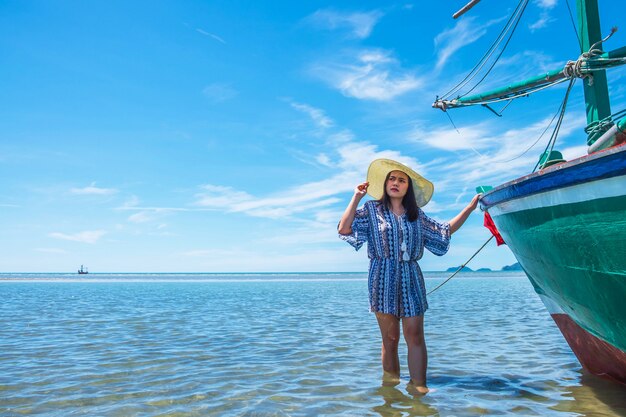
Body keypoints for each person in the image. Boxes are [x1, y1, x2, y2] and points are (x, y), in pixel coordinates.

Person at [338, 158, 480, 394]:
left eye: (401, 180)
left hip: (411, 275)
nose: (395, 183)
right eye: (392, 179)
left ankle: (419, 386)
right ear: (385, 184)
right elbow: (344, 229)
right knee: (390, 339)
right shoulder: (372, 210)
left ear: (408, 187)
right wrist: (356, 197)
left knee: (414, 334)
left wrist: (470, 208)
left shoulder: (417, 215)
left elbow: (444, 231)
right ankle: (391, 388)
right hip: (381, 277)